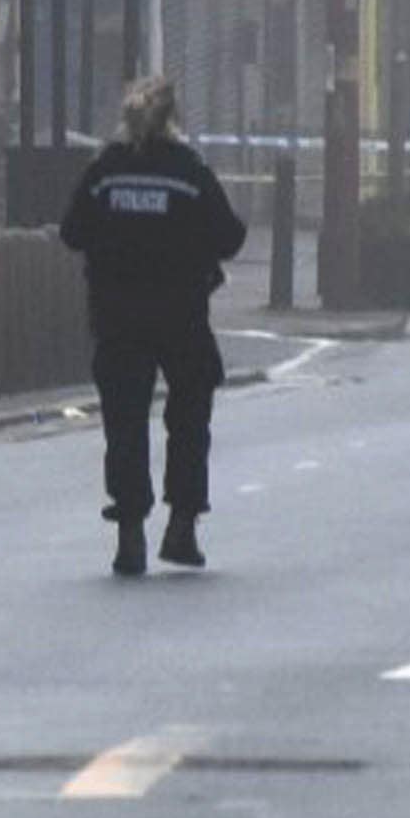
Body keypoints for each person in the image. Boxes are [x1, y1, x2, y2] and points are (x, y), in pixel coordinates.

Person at [58, 75, 249, 577]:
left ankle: (130, 535)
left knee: (124, 423)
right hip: (182, 315)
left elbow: (72, 231)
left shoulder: (105, 171)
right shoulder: (189, 171)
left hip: (117, 315)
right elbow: (229, 237)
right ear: (174, 119)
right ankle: (182, 527)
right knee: (189, 420)